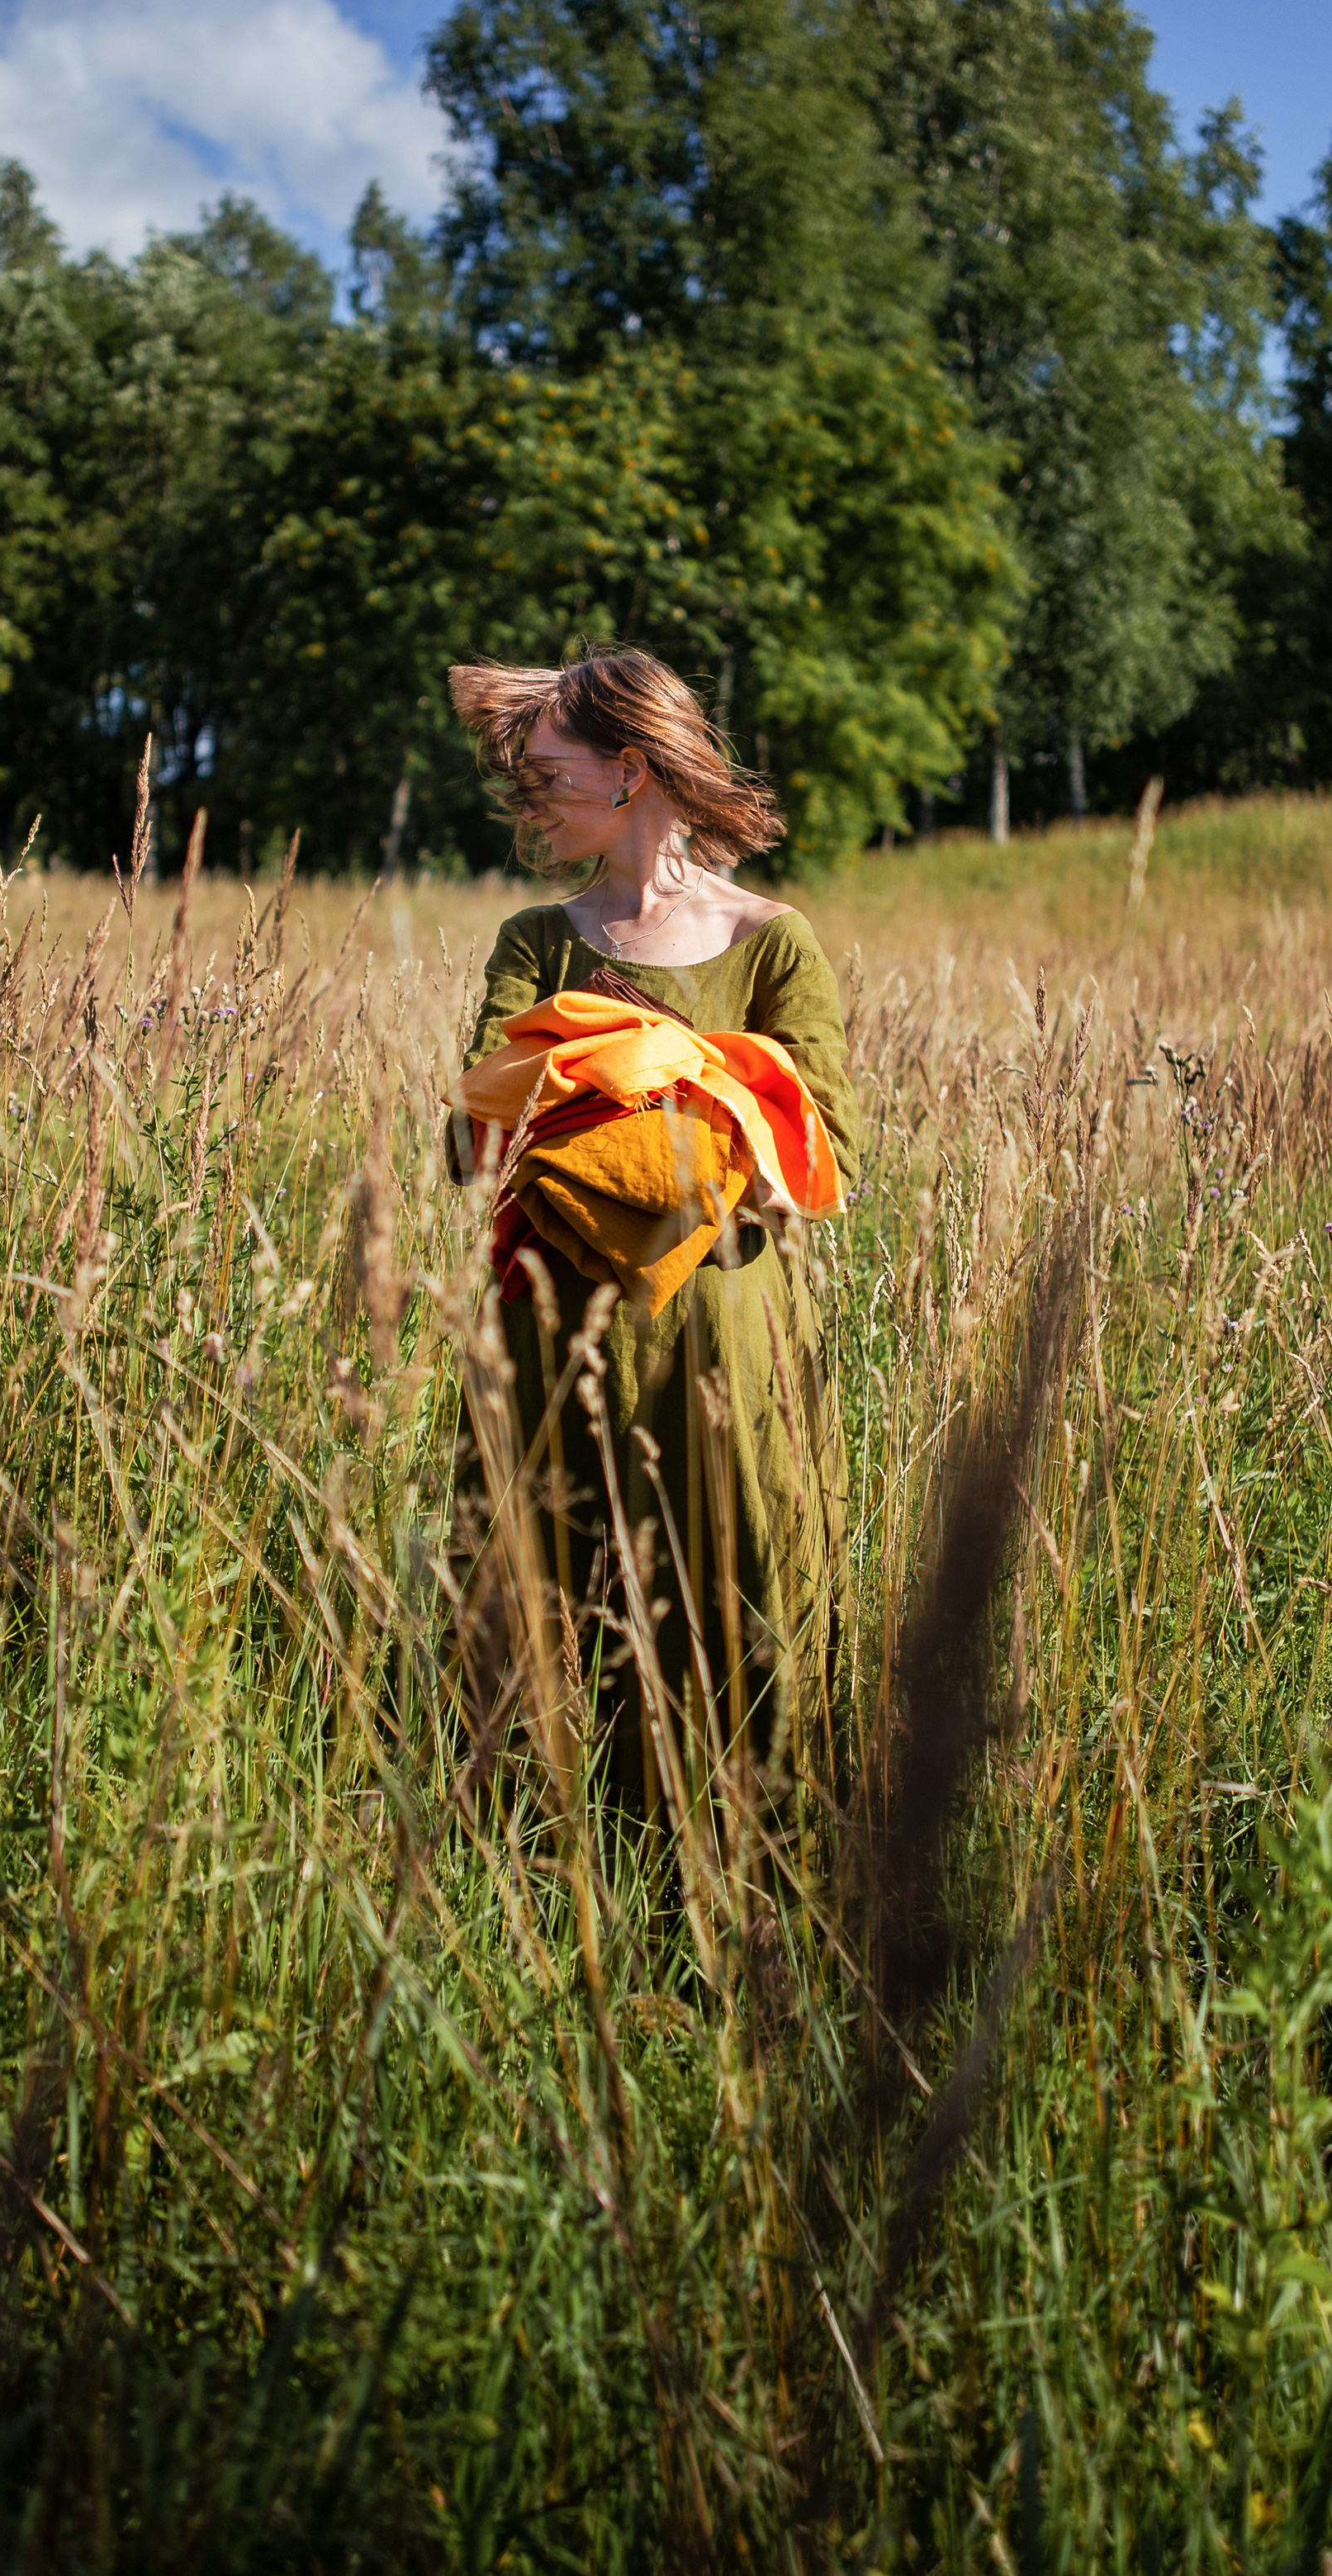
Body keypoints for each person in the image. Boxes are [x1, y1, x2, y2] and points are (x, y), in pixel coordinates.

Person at [444, 646, 860, 1837]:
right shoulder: (536, 940)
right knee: (543, 1606)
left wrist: (626, 1073)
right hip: (548, 1333)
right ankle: (538, 1877)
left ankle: (742, 1875)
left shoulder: (772, 942)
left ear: (628, 770)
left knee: (733, 1596)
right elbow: (478, 1133)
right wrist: (711, 1092)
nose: (527, 800)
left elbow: (816, 1154)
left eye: (547, 773)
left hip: (719, 1347)